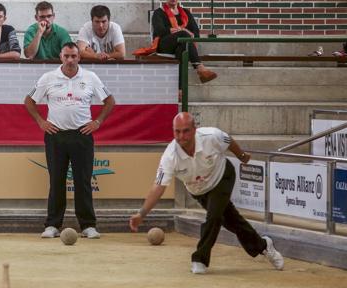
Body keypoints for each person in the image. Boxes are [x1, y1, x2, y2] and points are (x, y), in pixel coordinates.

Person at [129, 112, 284, 274]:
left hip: (222, 177)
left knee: (214, 217)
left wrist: (242, 156)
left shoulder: (211, 136)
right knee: (231, 221)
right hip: (199, 190)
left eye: (186, 131)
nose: (182, 136)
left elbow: (228, 141)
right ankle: (264, 246)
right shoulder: (170, 156)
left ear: (194, 129)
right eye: (177, 131)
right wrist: (142, 213)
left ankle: (199, 258)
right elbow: (158, 186)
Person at [24, 42, 116, 239]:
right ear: (61, 57)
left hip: (82, 135)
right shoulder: (48, 78)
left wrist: (97, 122)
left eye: (74, 56)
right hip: (55, 136)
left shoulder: (90, 77)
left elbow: (110, 101)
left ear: (79, 57)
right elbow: (29, 101)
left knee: (83, 181)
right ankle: (52, 225)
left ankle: (88, 226)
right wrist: (41, 121)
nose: (70, 60)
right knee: (56, 181)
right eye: (66, 56)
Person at [152, 0, 216, 84]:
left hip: (182, 44)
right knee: (183, 34)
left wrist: (183, 31)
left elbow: (196, 33)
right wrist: (179, 31)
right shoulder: (158, 12)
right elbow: (160, 31)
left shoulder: (186, 12)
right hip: (164, 45)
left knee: (182, 50)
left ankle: (180, 90)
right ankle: (199, 66)